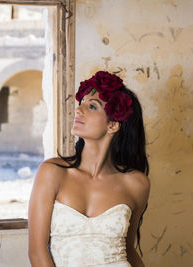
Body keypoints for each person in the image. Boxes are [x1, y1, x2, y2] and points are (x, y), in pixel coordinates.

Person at [28, 71, 150, 267]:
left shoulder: (136, 183)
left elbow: (128, 249)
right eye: (81, 103)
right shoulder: (52, 172)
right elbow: (37, 252)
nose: (78, 110)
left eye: (92, 106)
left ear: (113, 125)